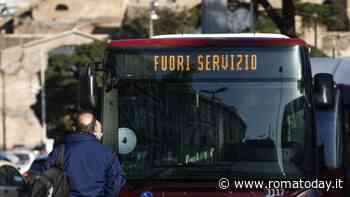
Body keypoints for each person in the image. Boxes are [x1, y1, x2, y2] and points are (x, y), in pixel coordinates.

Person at [43, 111, 125, 197]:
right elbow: (115, 183)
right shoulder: (107, 154)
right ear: (93, 128)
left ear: (75, 127)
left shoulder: (60, 151)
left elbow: (44, 177)